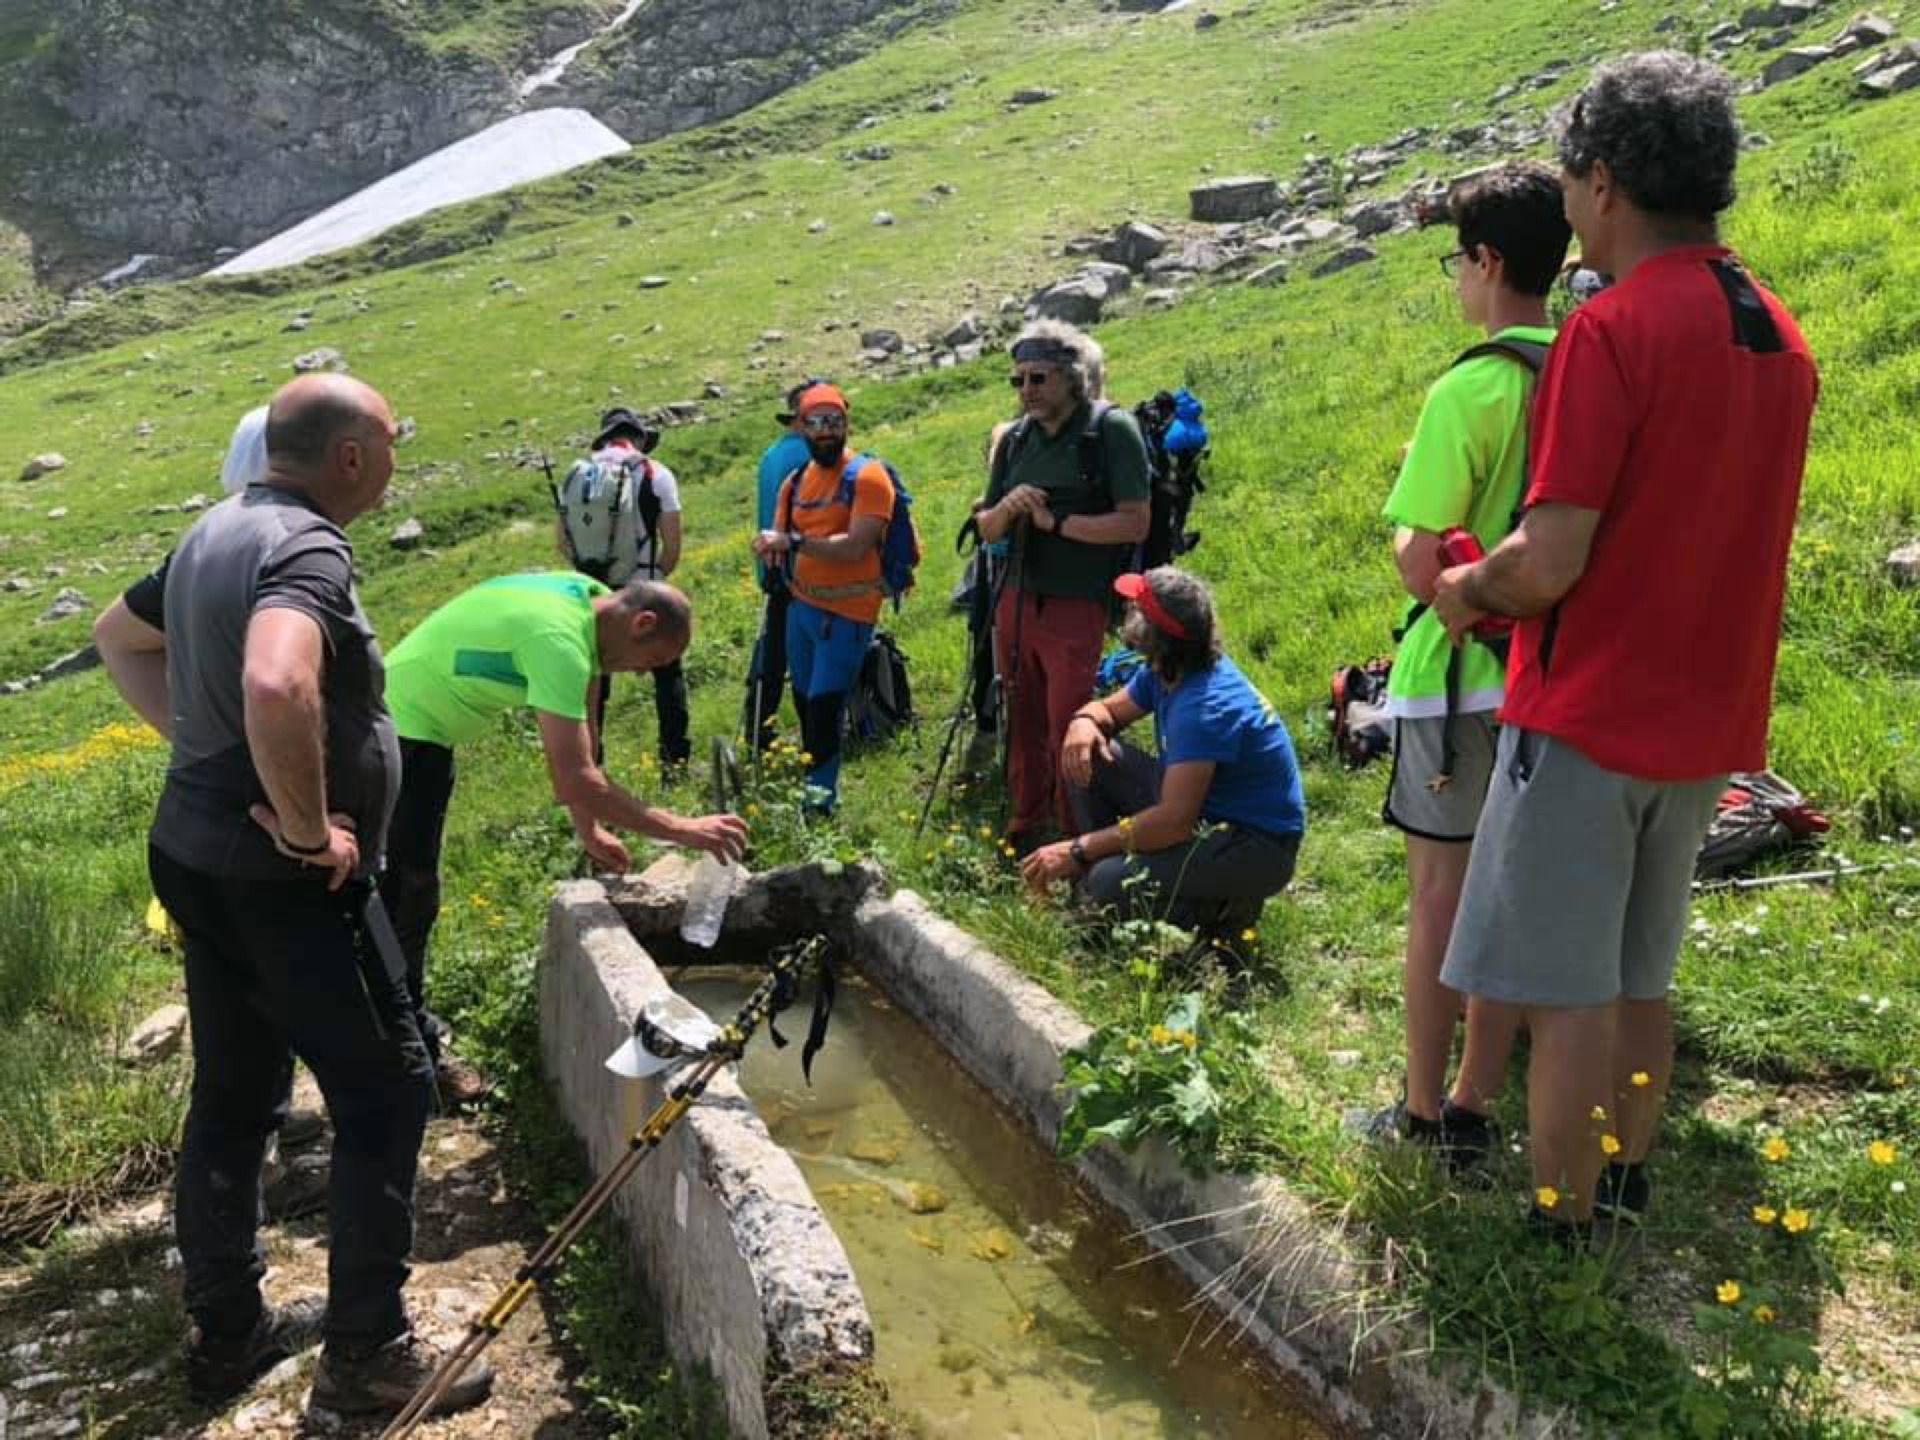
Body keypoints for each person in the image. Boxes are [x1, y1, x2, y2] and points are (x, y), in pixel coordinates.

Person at [1431, 51, 1818, 1237]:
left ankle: (1562, 1219)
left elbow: (1550, 562)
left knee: (1565, 987)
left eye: (1568, 178)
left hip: (1593, 711)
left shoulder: (1613, 329)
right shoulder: (1775, 330)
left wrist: (1463, 586)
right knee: (1645, 970)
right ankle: (1630, 1176)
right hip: (1708, 720)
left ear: (1604, 180)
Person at [103, 374, 492, 1417]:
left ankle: (226, 1334)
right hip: (284, 878)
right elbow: (279, 682)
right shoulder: (306, 546)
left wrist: (209, 760)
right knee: (387, 1089)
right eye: (393, 445)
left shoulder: (216, 528)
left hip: (195, 854)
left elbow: (118, 636)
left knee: (233, 1094)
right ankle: (367, 1358)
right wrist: (311, 823)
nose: (396, 462)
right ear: (353, 457)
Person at [1361, 163, 1571, 1167]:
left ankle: (1421, 1107)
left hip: (1455, 682)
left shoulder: (1472, 386)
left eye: (1458, 261)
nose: (1457, 281)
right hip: (1556, 675)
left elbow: (1417, 565)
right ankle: (1481, 1098)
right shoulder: (1589, 367)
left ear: (1488, 261)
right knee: (1518, 893)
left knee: (1441, 897)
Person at [378, 572, 748, 1096]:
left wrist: (589, 828)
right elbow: (573, 777)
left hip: (417, 725)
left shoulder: (588, 600)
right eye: (655, 661)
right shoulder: (560, 642)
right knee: (406, 899)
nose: (646, 675)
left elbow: (585, 738)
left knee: (407, 898)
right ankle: (404, 1056)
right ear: (642, 623)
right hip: (397, 732)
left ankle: (400, 1026)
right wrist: (684, 830)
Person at [1021, 567, 1305, 940]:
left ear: (1153, 636)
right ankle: (1111, 880)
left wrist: (1077, 850)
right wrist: (1084, 721)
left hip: (1256, 847)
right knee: (1088, 752)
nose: (1125, 610)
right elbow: (1108, 711)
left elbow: (1174, 822)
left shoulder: (1203, 709)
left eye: (1134, 607)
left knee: (1108, 884)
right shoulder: (1169, 669)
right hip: (1208, 814)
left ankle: (1225, 906)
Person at [976, 320, 1151, 853]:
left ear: (1073, 380)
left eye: (1039, 378)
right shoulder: (1014, 440)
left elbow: (1135, 522)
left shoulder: (1110, 431)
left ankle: (1076, 835)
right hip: (1016, 599)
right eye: (1019, 380)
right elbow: (985, 527)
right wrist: (1006, 509)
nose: (1026, 390)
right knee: (1021, 715)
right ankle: (1027, 823)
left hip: (1076, 604)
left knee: (1068, 718)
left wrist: (1057, 524)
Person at [749, 382, 897, 813]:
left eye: (834, 421)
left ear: (847, 424)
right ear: (802, 426)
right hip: (802, 609)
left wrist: (792, 542)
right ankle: (815, 793)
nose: (825, 430)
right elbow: (777, 540)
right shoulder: (795, 482)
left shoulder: (868, 476)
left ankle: (819, 809)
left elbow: (855, 545)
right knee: (805, 703)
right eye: (815, 422)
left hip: (848, 613)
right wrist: (771, 548)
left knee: (824, 707)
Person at [556, 406, 689, 770]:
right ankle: (674, 762)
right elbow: (673, 545)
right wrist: (654, 577)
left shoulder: (578, 476)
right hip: (644, 588)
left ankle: (592, 766)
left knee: (595, 685)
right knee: (667, 672)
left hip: (595, 592)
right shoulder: (655, 473)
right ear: (640, 438)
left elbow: (562, 542)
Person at [745, 381, 820, 751]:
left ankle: (757, 730)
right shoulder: (806, 456)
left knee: (773, 652)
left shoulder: (772, 454)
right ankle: (814, 736)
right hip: (800, 570)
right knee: (803, 655)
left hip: (772, 570)